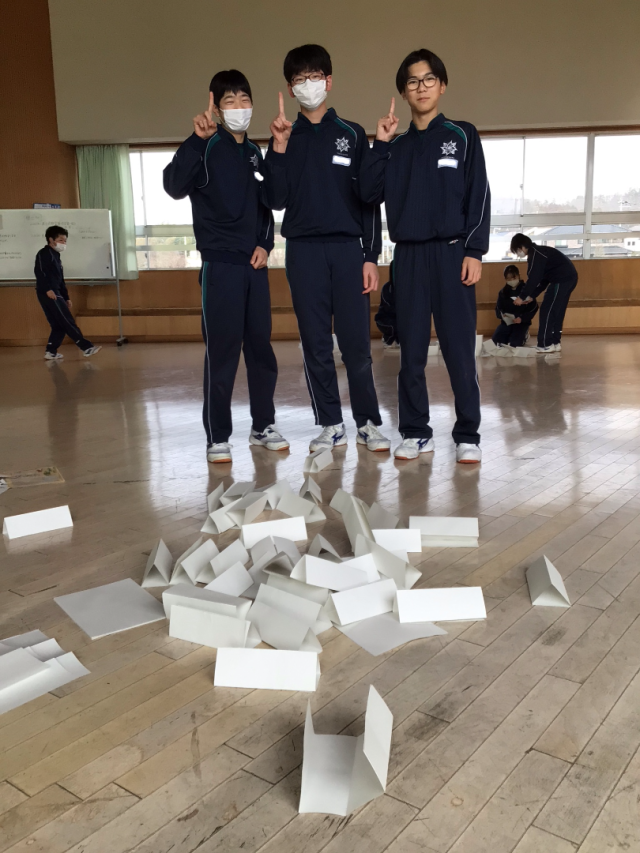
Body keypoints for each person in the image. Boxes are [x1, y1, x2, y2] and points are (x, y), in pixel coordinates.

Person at [359, 48, 490, 463]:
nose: (421, 87)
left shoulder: (462, 135)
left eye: (429, 78)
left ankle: (467, 434)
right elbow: (367, 193)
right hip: (409, 259)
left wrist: (474, 250)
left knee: (458, 351)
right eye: (413, 81)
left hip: (453, 255)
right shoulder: (395, 147)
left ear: (442, 85)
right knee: (411, 352)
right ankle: (416, 431)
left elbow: (479, 194)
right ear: (404, 91)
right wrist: (380, 144)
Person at [263, 43, 390, 454]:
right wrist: (277, 149)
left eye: (314, 77)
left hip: (347, 251)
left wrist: (370, 256)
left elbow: (369, 200)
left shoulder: (351, 134)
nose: (308, 85)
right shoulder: (284, 137)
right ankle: (331, 423)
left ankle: (367, 422)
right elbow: (274, 199)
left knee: (356, 345)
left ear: (328, 81)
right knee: (316, 344)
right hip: (302, 253)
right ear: (290, 88)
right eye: (299, 79)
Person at [164, 69, 288, 465]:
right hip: (220, 268)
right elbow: (173, 186)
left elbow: (269, 205)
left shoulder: (254, 152)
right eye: (229, 101)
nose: (239, 107)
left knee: (261, 350)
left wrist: (266, 244)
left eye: (244, 100)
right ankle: (217, 435)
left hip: (255, 268)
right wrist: (195, 140)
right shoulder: (205, 146)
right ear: (217, 109)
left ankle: (263, 425)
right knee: (222, 354)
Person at [34, 226, 101, 361]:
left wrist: (66, 297)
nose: (63, 243)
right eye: (60, 240)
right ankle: (86, 347)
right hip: (49, 293)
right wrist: (48, 289)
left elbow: (60, 279)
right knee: (66, 320)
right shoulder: (44, 253)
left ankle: (51, 352)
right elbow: (39, 272)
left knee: (58, 325)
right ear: (51, 240)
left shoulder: (56, 256)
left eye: (65, 241)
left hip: (56, 292)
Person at [510, 233, 578, 353]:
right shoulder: (540, 252)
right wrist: (532, 296)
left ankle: (545, 344)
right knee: (557, 311)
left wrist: (521, 297)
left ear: (521, 247)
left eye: (517, 251)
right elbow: (544, 279)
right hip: (569, 278)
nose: (518, 254)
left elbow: (533, 279)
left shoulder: (535, 255)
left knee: (547, 310)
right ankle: (555, 342)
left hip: (561, 280)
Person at [492, 264, 538, 349]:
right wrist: (502, 315)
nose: (511, 281)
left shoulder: (526, 290)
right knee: (496, 341)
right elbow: (498, 308)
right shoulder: (503, 292)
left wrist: (522, 318)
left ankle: (524, 335)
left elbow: (533, 308)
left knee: (515, 344)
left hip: (521, 322)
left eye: (513, 278)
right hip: (507, 322)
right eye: (508, 279)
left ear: (518, 276)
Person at [375, 261, 400, 349]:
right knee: (396, 325)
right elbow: (388, 307)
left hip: (402, 318)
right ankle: (388, 339)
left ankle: (398, 340)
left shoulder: (408, 288)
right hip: (386, 319)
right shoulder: (387, 288)